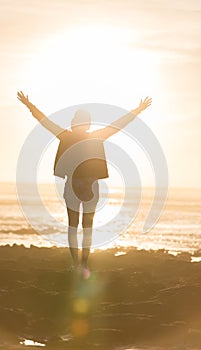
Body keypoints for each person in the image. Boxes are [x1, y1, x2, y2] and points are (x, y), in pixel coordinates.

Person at [17, 91, 152, 273]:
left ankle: (77, 263)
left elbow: (45, 122)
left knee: (75, 226)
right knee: (85, 227)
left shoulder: (67, 136)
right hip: (89, 187)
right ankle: (82, 263)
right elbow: (118, 125)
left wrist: (29, 105)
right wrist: (138, 110)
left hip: (77, 187)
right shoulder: (93, 136)